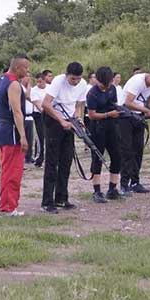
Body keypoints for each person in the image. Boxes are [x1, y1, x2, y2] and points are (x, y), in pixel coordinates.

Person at [41, 62, 89, 213]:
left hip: (69, 121)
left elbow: (79, 105)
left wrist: (78, 118)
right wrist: (61, 121)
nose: (75, 82)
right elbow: (46, 104)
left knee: (67, 160)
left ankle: (61, 198)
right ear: (67, 75)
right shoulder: (58, 81)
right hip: (54, 120)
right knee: (52, 162)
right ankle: (47, 201)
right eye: (73, 79)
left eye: (78, 79)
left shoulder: (82, 84)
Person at [0, 56, 31, 216]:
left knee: (6, 169)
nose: (27, 71)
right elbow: (17, 112)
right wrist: (23, 136)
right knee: (13, 171)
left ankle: (6, 205)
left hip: (1, 128)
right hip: (11, 131)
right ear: (17, 68)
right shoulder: (14, 84)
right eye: (26, 68)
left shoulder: (1, 79)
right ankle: (8, 207)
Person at [85, 66, 124, 203]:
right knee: (98, 158)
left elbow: (114, 104)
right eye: (103, 84)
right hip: (97, 127)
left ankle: (112, 189)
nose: (105, 86)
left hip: (112, 126)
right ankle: (97, 191)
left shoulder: (112, 89)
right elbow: (91, 115)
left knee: (117, 156)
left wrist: (119, 111)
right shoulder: (92, 94)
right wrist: (108, 114)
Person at [30, 70, 51, 167]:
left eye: (40, 81)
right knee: (40, 136)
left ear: (44, 80)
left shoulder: (50, 89)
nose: (38, 84)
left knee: (49, 137)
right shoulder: (34, 90)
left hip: (50, 114)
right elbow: (38, 105)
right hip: (39, 115)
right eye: (37, 82)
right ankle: (39, 158)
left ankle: (48, 158)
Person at [20, 75, 36, 166]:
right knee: (23, 137)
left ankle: (29, 156)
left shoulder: (31, 89)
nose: (28, 78)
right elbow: (27, 96)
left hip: (30, 116)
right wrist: (29, 86)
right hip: (22, 116)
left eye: (29, 76)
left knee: (30, 137)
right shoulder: (20, 87)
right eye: (26, 76)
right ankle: (22, 156)